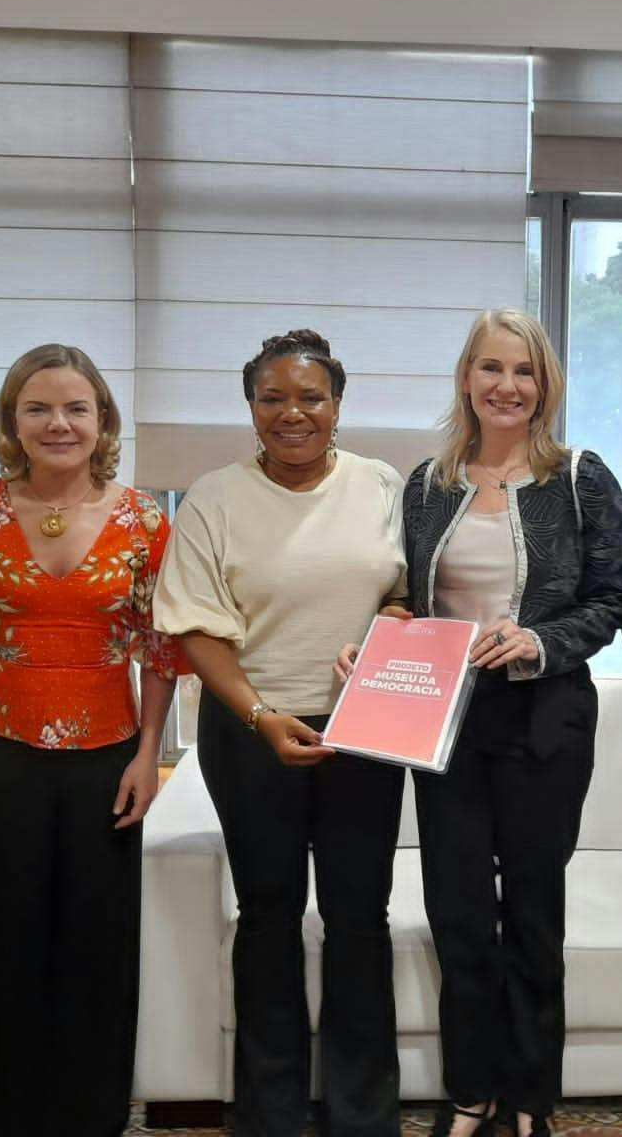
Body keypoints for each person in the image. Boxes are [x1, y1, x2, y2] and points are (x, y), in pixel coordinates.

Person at [369, 308, 622, 1137]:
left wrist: (539, 640)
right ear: (467, 380)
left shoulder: (580, 476)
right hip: (444, 724)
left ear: (544, 385)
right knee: (457, 913)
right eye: (491, 368)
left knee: (533, 912)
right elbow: (406, 593)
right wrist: (385, 637)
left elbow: (614, 601)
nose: (506, 385)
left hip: (545, 719)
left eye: (524, 371)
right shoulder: (426, 483)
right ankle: (469, 1090)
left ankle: (529, 1098)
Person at [152, 329, 409, 1137]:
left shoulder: (382, 485)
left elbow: (405, 595)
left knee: (359, 917)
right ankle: (269, 1114)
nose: (292, 413)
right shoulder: (213, 498)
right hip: (250, 728)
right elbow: (195, 629)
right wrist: (263, 718)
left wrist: (390, 627)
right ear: (251, 407)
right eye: (273, 398)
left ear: (338, 404)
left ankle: (362, 1112)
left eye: (310, 397)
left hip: (365, 731)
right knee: (267, 918)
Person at [0, 344, 186, 1137]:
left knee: (96, 945)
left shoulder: (147, 517)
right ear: (12, 420)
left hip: (109, 756)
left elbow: (160, 648)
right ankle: (9, 1119)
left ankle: (90, 1117)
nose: (59, 423)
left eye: (77, 408)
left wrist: (149, 757)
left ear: (103, 420)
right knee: (2, 940)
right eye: (38, 408)